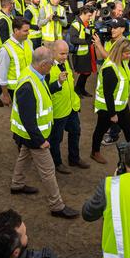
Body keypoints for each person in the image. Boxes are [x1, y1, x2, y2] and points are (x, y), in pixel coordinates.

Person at [9, 46, 79, 219]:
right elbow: (28, 119)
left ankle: (17, 184)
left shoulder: (34, 75)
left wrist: (58, 83)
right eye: (50, 64)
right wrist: (40, 140)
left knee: (24, 158)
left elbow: (45, 93)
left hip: (30, 135)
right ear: (43, 64)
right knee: (48, 171)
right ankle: (57, 206)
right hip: (34, 136)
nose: (52, 67)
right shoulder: (28, 84)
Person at [90, 39, 130, 165]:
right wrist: (112, 114)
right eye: (126, 53)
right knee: (100, 130)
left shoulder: (123, 62)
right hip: (107, 109)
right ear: (119, 52)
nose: (129, 55)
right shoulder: (110, 69)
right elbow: (108, 94)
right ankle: (95, 152)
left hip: (122, 106)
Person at [47, 40, 90, 173]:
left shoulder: (65, 62)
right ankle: (57, 163)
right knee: (56, 139)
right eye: (62, 54)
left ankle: (74, 158)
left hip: (71, 107)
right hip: (58, 111)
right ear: (53, 52)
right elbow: (46, 90)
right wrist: (58, 82)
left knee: (75, 132)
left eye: (66, 53)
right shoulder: (47, 67)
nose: (65, 56)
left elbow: (70, 84)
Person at [0, 17, 34, 108]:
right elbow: (2, 76)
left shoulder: (28, 42)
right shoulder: (6, 49)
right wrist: (5, 95)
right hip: (15, 89)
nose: (28, 33)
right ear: (16, 30)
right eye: (25, 31)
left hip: (30, 84)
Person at [70, 6, 97, 98]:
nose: (90, 18)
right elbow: (73, 39)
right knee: (85, 73)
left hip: (88, 51)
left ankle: (81, 89)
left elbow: (89, 33)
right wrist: (86, 42)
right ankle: (78, 89)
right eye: (89, 15)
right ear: (83, 13)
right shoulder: (76, 24)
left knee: (87, 72)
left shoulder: (86, 22)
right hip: (81, 52)